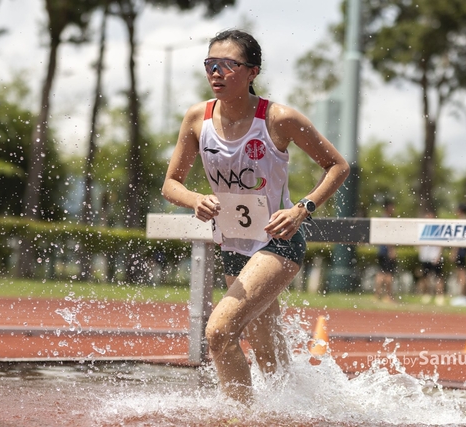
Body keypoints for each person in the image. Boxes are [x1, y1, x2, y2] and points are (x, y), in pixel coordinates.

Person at [161, 29, 349, 404]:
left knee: (219, 332)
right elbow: (170, 184)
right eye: (210, 65)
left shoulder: (279, 118)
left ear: (252, 72)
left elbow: (338, 166)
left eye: (227, 65)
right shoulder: (197, 118)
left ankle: (240, 417)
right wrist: (195, 199)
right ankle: (302, 409)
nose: (216, 72)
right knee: (269, 359)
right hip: (234, 244)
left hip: (277, 242)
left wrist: (303, 208)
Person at [416, 210, 445, 306]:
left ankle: (439, 296)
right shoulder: (422, 228)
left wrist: (438, 256)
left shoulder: (437, 228)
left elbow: (441, 243)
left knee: (438, 277)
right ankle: (426, 294)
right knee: (425, 277)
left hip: (434, 256)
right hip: (425, 257)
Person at [450, 204, 466, 307]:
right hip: (464, 250)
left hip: (461, 250)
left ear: (460, 211)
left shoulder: (460, 221)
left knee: (462, 274)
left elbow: (457, 239)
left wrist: (454, 252)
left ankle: (463, 297)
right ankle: (464, 296)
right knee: (462, 274)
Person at [374, 199, 396, 303]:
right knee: (388, 274)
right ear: (388, 208)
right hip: (386, 251)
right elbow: (388, 237)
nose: (394, 209)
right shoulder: (387, 220)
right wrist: (391, 250)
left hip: (381, 250)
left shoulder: (381, 218)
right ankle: (388, 296)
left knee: (381, 273)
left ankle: (377, 294)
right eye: (392, 207)